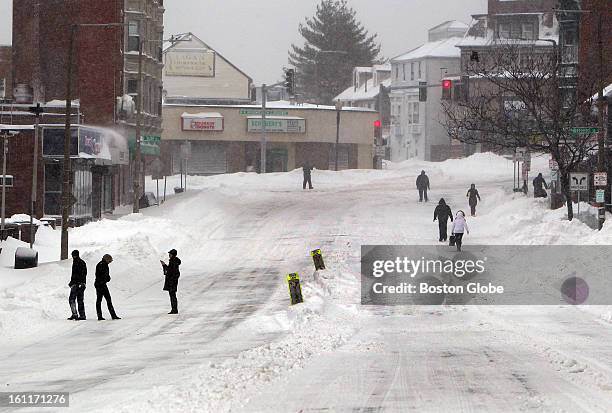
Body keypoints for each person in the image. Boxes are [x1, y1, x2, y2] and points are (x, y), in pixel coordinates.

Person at [95, 254, 120, 321]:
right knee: (104, 300)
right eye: (109, 261)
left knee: (102, 300)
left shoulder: (102, 264)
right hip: (100, 284)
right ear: (106, 259)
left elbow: (103, 275)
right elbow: (103, 275)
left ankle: (101, 316)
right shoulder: (102, 265)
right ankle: (111, 315)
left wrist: (106, 278)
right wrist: (107, 278)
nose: (110, 262)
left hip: (100, 284)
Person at [161, 249, 182, 315]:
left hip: (172, 281)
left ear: (173, 254)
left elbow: (170, 271)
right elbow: (170, 270)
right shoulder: (174, 261)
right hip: (173, 281)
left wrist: (164, 265)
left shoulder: (173, 262)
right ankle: (174, 309)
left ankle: (174, 309)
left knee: (172, 295)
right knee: (172, 295)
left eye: (170, 254)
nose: (169, 255)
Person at [68, 250, 87, 320]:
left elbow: (78, 275)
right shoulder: (80, 262)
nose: (73, 257)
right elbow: (82, 274)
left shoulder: (78, 262)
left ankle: (75, 314)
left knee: (72, 299)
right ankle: (81, 315)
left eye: (73, 255)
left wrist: (74, 283)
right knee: (79, 300)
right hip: (80, 284)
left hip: (77, 284)